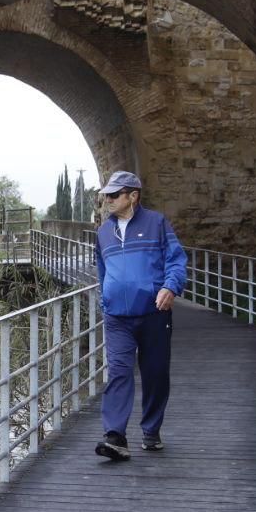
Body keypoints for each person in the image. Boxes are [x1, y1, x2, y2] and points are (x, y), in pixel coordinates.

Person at [92, 171, 187, 461]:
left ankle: (151, 429)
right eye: (106, 195)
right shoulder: (103, 232)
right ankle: (115, 436)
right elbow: (102, 270)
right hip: (117, 317)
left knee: (155, 373)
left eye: (114, 194)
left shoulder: (156, 223)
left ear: (133, 196)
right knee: (119, 372)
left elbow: (177, 260)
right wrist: (104, 299)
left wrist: (170, 287)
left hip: (154, 313)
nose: (108, 199)